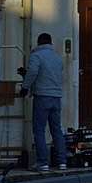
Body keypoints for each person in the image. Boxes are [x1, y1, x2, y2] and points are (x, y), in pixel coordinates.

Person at [24, 33, 67, 170]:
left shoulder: (36, 56)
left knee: (39, 130)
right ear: (50, 42)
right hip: (56, 97)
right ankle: (62, 162)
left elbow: (33, 72)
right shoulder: (57, 58)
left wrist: (25, 87)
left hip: (42, 96)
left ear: (39, 42)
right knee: (56, 130)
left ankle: (43, 162)